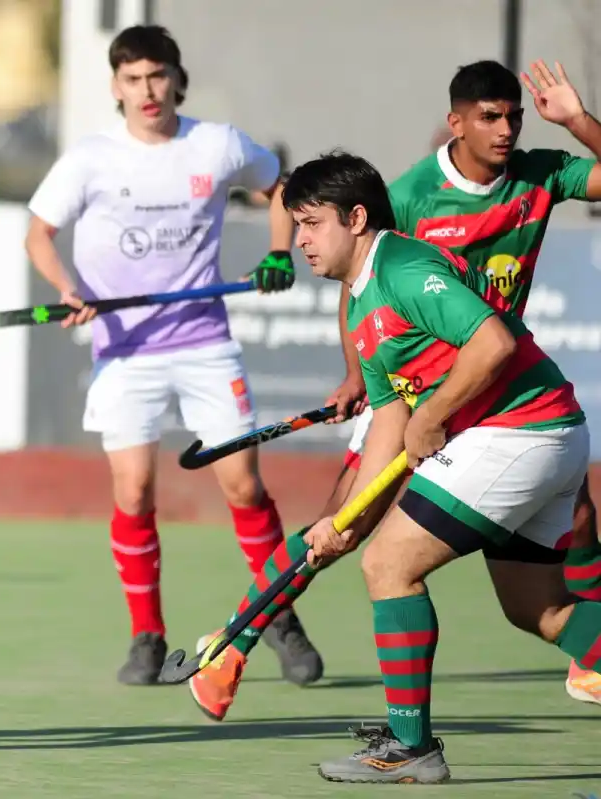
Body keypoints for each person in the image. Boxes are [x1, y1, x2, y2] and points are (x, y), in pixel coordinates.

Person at [186, 58, 601, 721]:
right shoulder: (393, 230)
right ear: (456, 121)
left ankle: (420, 740)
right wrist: (362, 390)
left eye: (513, 116)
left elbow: (481, 337)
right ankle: (237, 640)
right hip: (447, 396)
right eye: (491, 116)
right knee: (369, 532)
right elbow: (376, 355)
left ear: (353, 219)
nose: (506, 130)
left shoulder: (499, 198)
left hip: (500, 403)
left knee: (404, 559)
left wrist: (578, 121)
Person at [23, 24, 321, 686]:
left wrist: (279, 249)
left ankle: (278, 613)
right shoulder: (89, 159)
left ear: (176, 79)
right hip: (125, 350)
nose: (147, 90)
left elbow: (283, 186)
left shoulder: (214, 145)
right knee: (133, 491)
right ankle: (147, 636)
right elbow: (39, 235)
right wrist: (67, 289)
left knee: (242, 483)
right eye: (132, 79)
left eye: (157, 75)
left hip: (205, 343)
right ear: (115, 88)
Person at [286, 151, 597, 784]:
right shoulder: (360, 301)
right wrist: (343, 522)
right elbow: (388, 428)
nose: (301, 240)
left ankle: (410, 746)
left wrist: (436, 414)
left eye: (312, 223)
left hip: (520, 429)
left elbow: (493, 342)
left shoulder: (403, 264)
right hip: (541, 433)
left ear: (356, 218)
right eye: (296, 225)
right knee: (540, 610)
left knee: (390, 565)